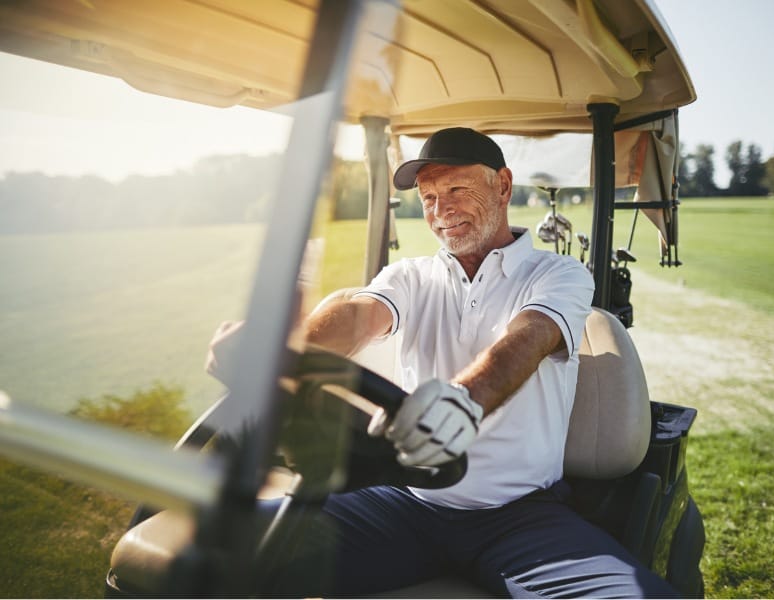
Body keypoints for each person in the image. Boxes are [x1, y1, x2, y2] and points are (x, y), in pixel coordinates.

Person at [208, 127, 677, 598]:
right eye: (429, 197)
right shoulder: (409, 276)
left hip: (521, 516)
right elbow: (360, 315)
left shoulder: (557, 274)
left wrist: (462, 402)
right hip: (405, 503)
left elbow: (530, 336)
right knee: (212, 546)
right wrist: (281, 351)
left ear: (504, 186)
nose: (440, 210)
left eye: (456, 189)